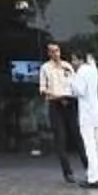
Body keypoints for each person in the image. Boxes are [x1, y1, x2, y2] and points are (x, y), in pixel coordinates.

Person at [37, 41, 83, 181]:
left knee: (77, 135)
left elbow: (75, 84)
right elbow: (43, 89)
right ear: (48, 53)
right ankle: (67, 172)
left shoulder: (67, 66)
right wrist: (56, 96)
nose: (55, 53)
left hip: (69, 102)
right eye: (52, 51)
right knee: (60, 138)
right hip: (55, 103)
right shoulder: (45, 68)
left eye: (57, 50)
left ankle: (89, 167)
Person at [70, 41, 98, 185]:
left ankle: (93, 178)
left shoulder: (80, 72)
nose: (73, 62)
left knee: (90, 145)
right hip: (96, 111)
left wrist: (71, 80)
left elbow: (79, 91)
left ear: (80, 59)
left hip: (87, 113)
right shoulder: (94, 69)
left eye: (74, 59)